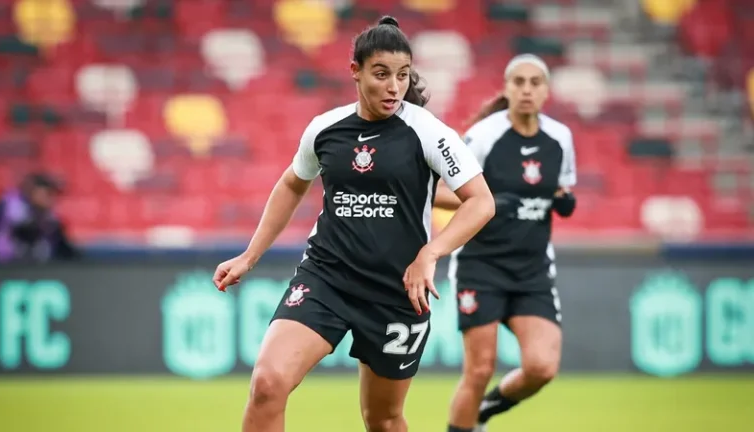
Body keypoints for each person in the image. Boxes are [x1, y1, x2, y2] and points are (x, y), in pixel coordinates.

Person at [212, 16, 496, 432]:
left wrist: (429, 253)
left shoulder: (428, 133)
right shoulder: (325, 130)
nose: (394, 87)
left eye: (402, 76)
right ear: (355, 71)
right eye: (381, 74)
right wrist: (250, 256)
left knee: (382, 418)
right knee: (267, 385)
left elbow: (481, 202)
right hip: (327, 278)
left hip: (395, 290)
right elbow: (292, 183)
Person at [437, 54, 577, 432]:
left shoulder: (560, 138)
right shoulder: (484, 135)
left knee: (542, 368)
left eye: (535, 82)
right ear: (507, 87)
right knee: (479, 369)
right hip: (481, 266)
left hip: (532, 270)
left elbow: (559, 188)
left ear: (546, 90)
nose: (527, 89)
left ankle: (483, 412)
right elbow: (438, 192)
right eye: (519, 82)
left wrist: (563, 200)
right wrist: (492, 201)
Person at [0, 172, 79, 265]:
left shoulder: (52, 220)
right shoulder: (6, 207)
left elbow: (63, 249)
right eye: (48, 193)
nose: (51, 198)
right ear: (31, 191)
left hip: (37, 268)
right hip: (0, 266)